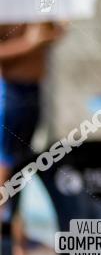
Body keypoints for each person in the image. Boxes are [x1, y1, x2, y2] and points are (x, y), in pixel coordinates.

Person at [0, 22, 64, 190]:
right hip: (10, 91)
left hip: (33, 90)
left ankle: (10, 211)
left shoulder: (34, 9)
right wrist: (28, 43)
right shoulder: (7, 11)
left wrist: (52, 30)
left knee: (22, 159)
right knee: (5, 158)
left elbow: (55, 34)